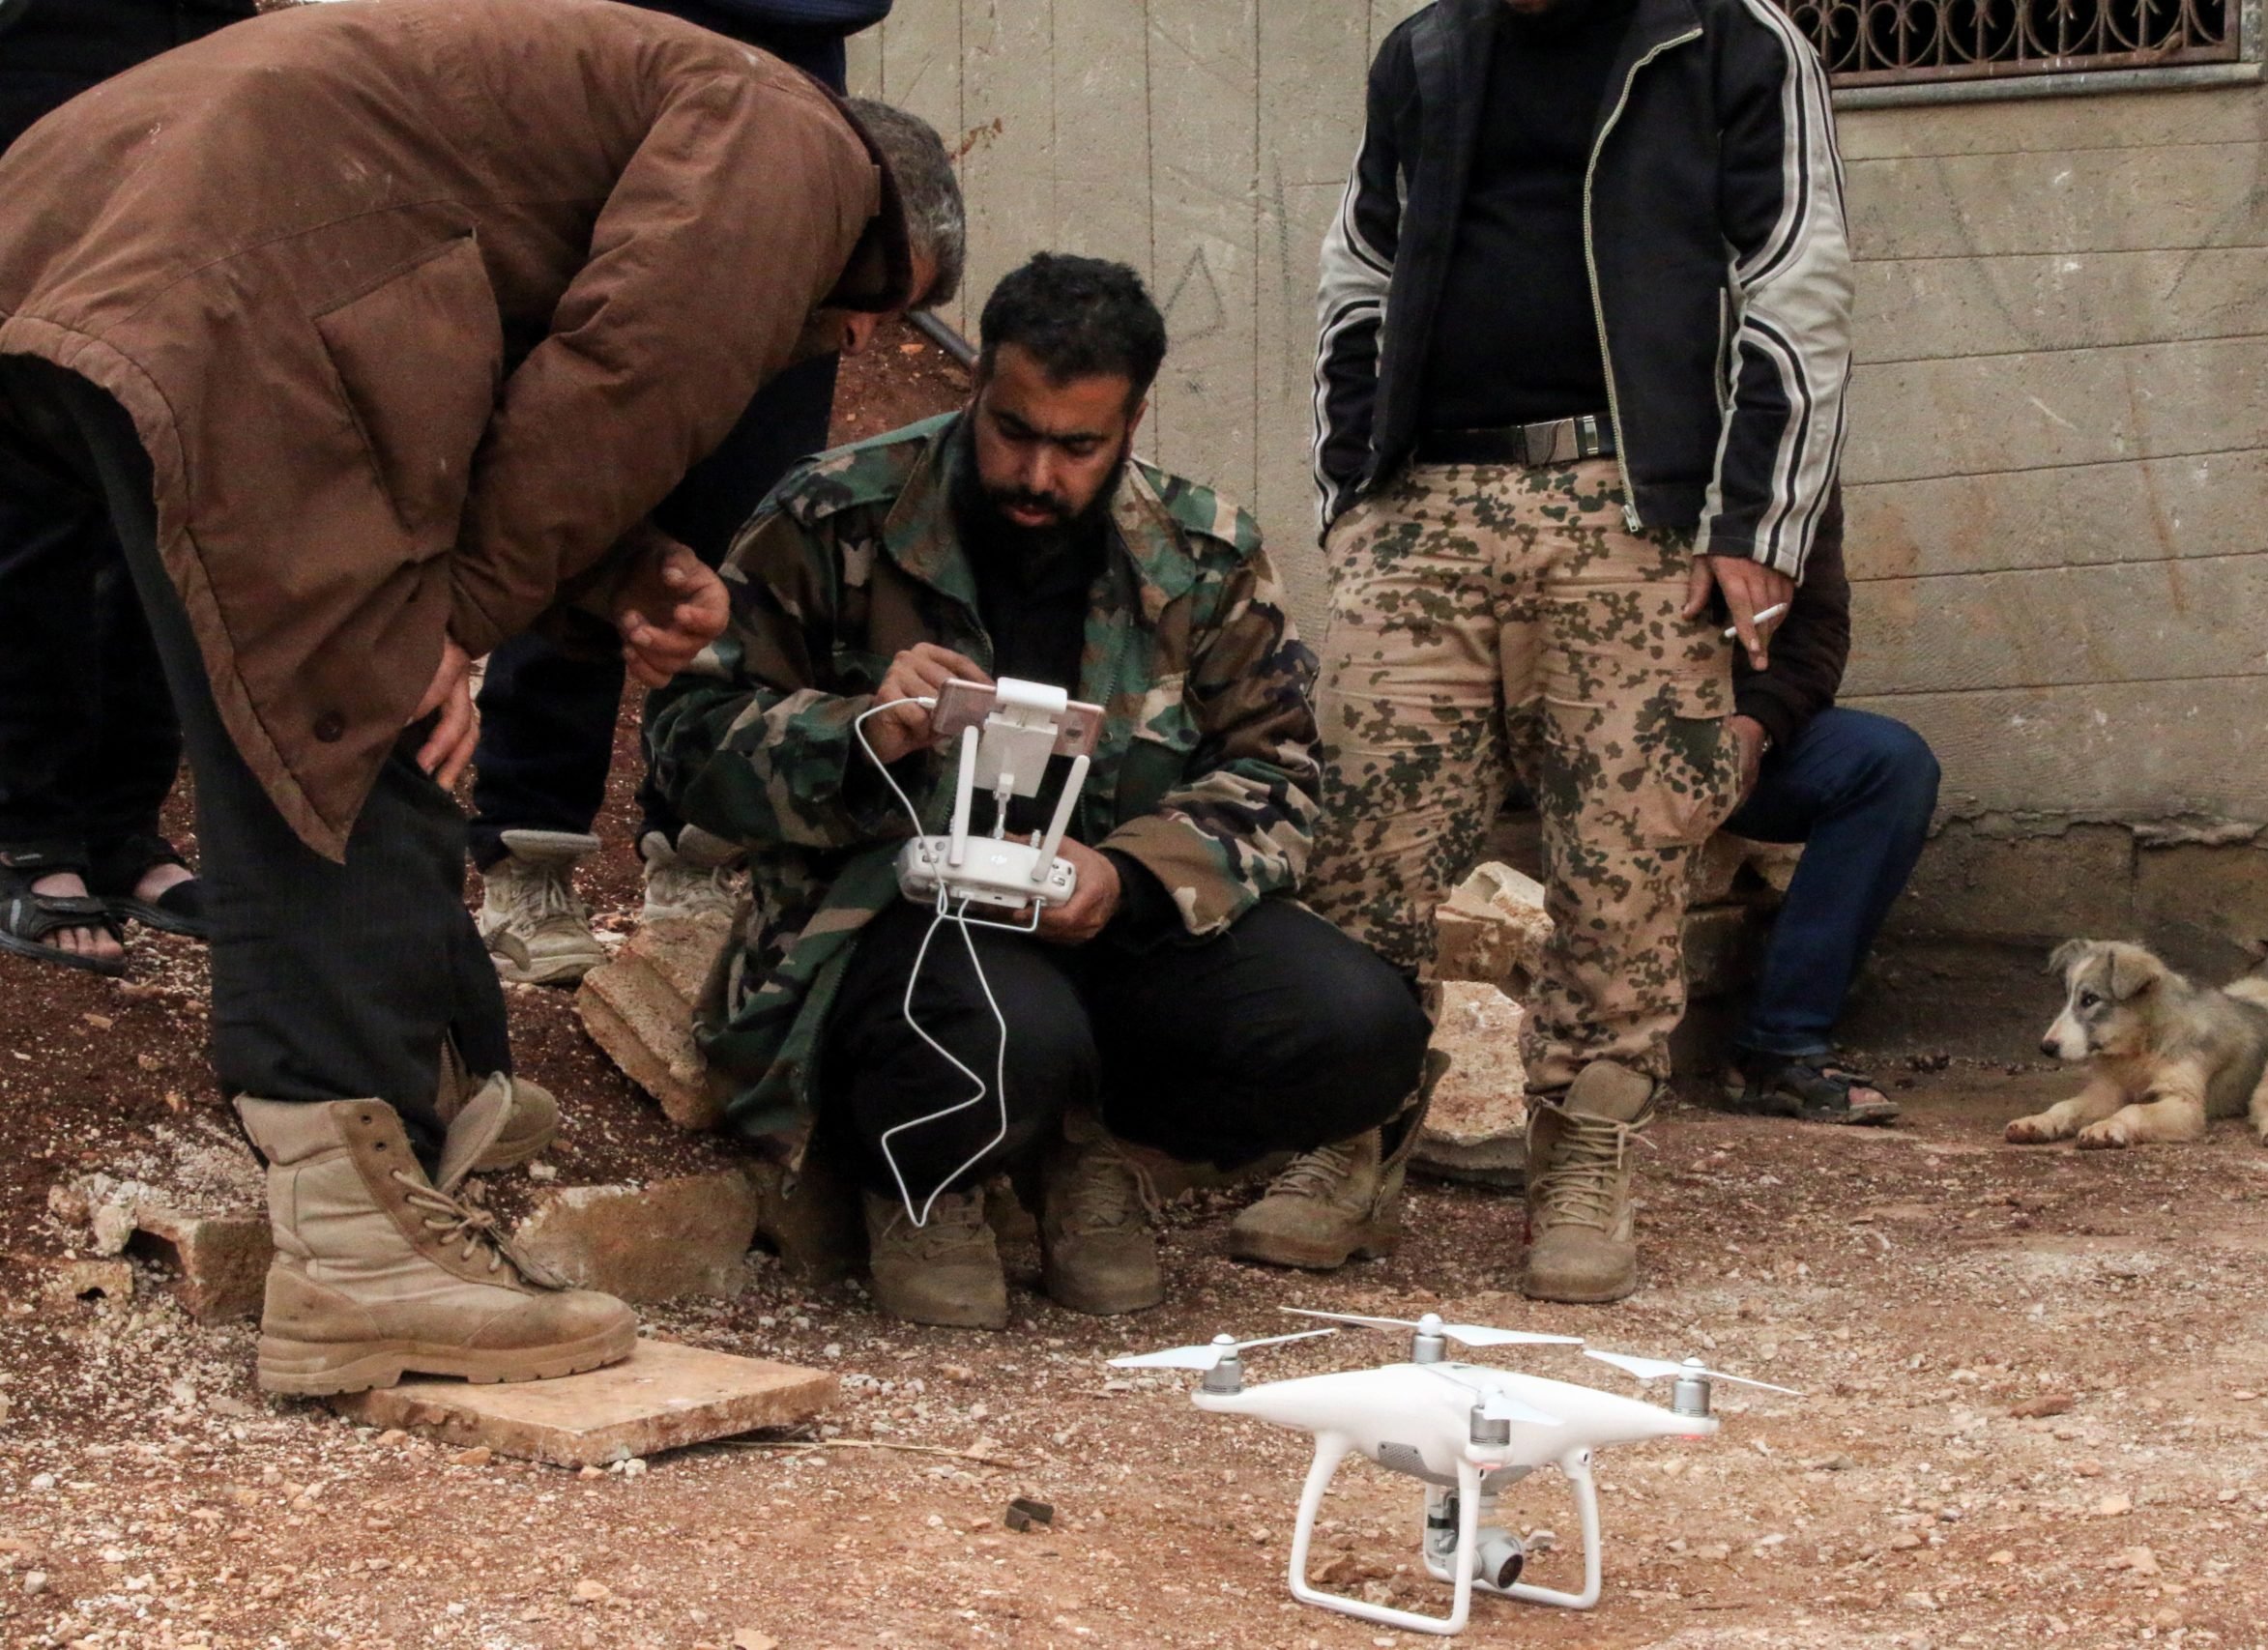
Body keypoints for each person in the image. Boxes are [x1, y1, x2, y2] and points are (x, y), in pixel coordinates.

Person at [0, 0, 958, 1392]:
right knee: (351, 715)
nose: (857, 336)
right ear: (895, 221)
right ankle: (353, 1255)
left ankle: (439, 1095)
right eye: (874, 305)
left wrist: (615, 572)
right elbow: (628, 373)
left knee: (328, 683)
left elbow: (493, 377)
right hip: (231, 258)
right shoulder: (799, 143)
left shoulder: (644, 100)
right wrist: (456, 622)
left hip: (88, 221)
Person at [645, 253, 1431, 1330]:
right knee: (1008, 1026)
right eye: (1012, 431)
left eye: (1078, 446)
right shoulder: (836, 514)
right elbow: (685, 743)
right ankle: (924, 1180)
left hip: (1107, 921)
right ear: (976, 389)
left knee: (1357, 1027)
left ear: (1133, 420)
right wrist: (862, 731)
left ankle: (1092, 1148)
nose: (1037, 476)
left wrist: (1132, 877)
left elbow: (1281, 771)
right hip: (893, 919)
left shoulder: (1202, 551)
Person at [1239, 0, 1852, 1303]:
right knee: (1362, 837)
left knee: (1624, 856)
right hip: (1426, 508)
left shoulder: (1733, 45)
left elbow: (1796, 283)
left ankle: (1587, 1148)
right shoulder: (1427, 52)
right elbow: (1361, 269)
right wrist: (1355, 497)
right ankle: (1345, 1139)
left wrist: (1758, 521)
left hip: (1633, 506)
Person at [468, 0, 910, 985]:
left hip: (796, 93)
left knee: (750, 504)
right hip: (638, 79)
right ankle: (529, 844)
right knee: (579, 449)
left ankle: (700, 838)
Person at [0, 0, 258, 974]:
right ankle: (31, 828)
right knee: (38, 473)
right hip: (40, 54)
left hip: (199, 52)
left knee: (170, 470)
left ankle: (122, 823)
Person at [1715, 492, 1940, 1124]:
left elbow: (1817, 634)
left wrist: (1755, 722)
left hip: (1733, 730)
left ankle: (1779, 1043)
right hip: (1607, 726)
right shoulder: (1631, 452)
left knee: (1889, 761)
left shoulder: (1789, 460)